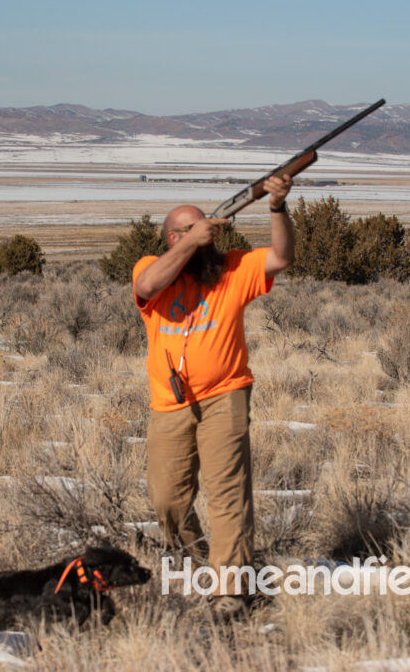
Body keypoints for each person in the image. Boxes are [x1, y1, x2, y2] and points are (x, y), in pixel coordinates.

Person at [131, 175, 294, 619]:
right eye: (190, 230)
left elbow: (281, 256)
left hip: (226, 395)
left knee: (227, 494)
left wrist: (277, 206)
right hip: (170, 403)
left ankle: (229, 591)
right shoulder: (152, 267)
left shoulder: (233, 268)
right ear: (172, 238)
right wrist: (189, 244)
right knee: (167, 498)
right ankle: (195, 568)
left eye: (207, 228)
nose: (206, 236)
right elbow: (147, 287)